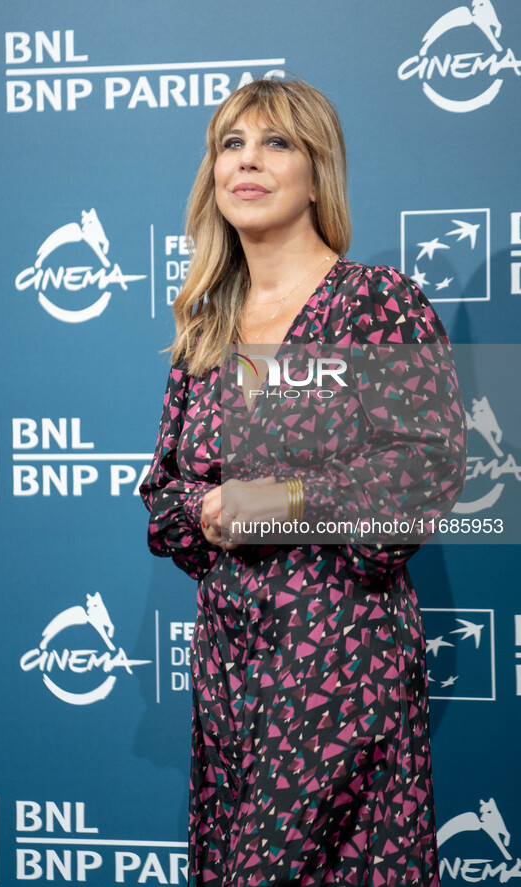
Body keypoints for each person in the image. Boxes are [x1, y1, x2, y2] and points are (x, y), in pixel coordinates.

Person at [140, 78, 466, 887]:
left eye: (276, 143)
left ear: (317, 174)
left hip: (341, 660)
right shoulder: (207, 327)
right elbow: (165, 493)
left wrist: (273, 502)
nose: (247, 161)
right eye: (231, 144)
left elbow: (424, 465)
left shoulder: (375, 303)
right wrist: (205, 511)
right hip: (227, 664)